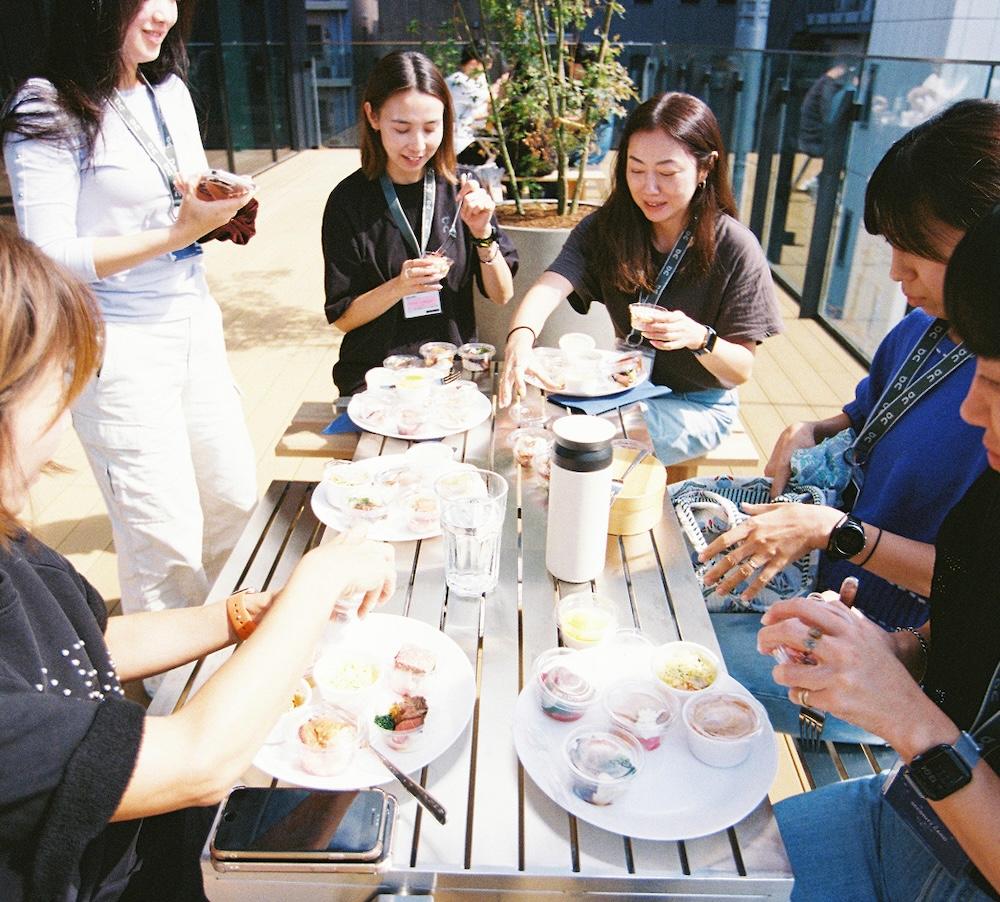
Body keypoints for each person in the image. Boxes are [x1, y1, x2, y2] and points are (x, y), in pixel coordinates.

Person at [0, 225, 397, 902]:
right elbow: (197, 761)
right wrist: (317, 578)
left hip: (130, 840)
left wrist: (241, 615)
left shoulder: (14, 546)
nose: (69, 406)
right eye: (56, 376)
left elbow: (91, 645)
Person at [699, 99, 999, 742]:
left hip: (890, 651)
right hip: (826, 586)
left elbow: (975, 584)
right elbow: (865, 416)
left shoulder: (993, 396)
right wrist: (810, 430)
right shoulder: (924, 329)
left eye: (916, 250)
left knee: (687, 659)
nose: (897, 273)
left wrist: (836, 531)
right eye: (893, 246)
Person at [763, 205, 1000, 902]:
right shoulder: (991, 490)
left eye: (994, 385)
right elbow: (972, 617)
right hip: (901, 812)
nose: (968, 411)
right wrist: (897, 650)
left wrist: (908, 716)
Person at [1, 1, 258, 639]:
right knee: (161, 537)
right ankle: (176, 695)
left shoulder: (164, 89)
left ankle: (241, 653)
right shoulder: (46, 106)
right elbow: (49, 255)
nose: (165, 13)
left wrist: (220, 206)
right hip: (114, 347)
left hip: (194, 319)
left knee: (233, 501)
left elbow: (188, 187)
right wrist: (177, 231)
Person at [499, 92, 783, 466]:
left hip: (698, 404)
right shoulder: (609, 227)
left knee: (575, 444)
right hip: (624, 388)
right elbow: (552, 283)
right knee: (531, 422)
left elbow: (741, 369)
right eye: (636, 170)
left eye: (666, 173)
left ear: (705, 168)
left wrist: (699, 337)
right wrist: (520, 340)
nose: (649, 188)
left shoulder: (734, 246)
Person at [323, 50, 518, 396]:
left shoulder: (464, 187)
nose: (417, 145)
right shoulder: (348, 201)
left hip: (449, 375)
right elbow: (343, 318)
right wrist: (399, 286)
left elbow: (502, 294)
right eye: (402, 128)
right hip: (376, 379)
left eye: (431, 128)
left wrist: (482, 234)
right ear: (373, 116)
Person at [445, 44, 495, 166]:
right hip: (459, 145)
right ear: (473, 63)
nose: (488, 68)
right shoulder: (458, 81)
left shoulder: (473, 80)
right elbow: (491, 100)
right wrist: (502, 85)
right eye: (486, 64)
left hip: (468, 138)